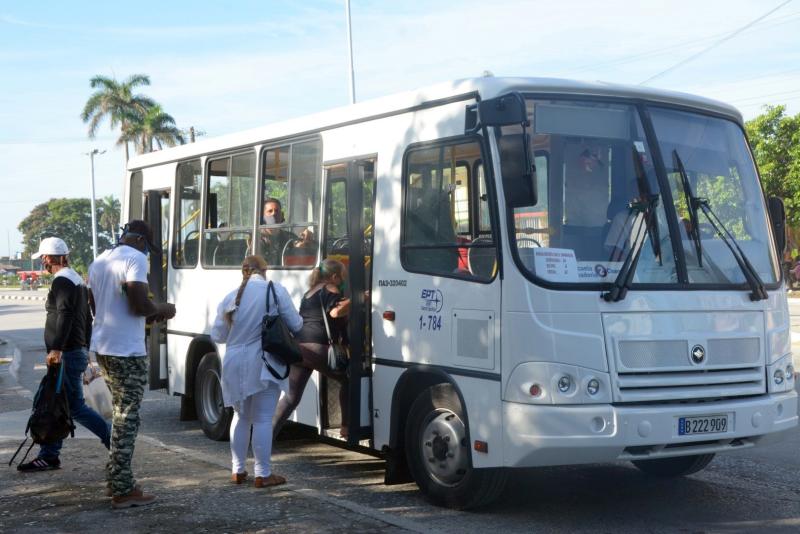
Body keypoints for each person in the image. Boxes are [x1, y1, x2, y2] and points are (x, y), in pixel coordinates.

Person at [88, 220, 176, 509]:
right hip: (126, 351)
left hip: (103, 346)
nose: (147, 254)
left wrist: (148, 315)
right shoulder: (135, 258)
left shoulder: (99, 261)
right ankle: (123, 490)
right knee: (128, 419)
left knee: (119, 416)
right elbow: (139, 305)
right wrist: (163, 309)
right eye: (147, 248)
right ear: (140, 241)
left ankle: (116, 478)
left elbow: (98, 306)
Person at [16, 237, 111, 472]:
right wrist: (85, 347)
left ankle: (115, 442)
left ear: (49, 258)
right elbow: (87, 318)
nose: (43, 264)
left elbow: (65, 315)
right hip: (72, 351)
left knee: (73, 406)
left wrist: (57, 349)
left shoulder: (62, 281)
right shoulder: (76, 279)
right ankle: (49, 454)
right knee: (53, 403)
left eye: (43, 259)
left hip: (66, 354)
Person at [211, 255, 302, 488]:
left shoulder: (231, 296)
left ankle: (237, 470)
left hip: (233, 362)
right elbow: (296, 324)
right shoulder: (275, 290)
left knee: (241, 417)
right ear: (264, 270)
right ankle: (262, 474)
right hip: (263, 363)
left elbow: (217, 336)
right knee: (262, 419)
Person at [273, 258, 351, 440]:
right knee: (348, 379)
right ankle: (346, 427)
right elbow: (335, 312)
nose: (343, 282)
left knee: (291, 398)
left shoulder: (309, 292)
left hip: (299, 347)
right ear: (334, 277)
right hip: (317, 347)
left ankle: (265, 438)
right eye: (342, 277)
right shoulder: (330, 288)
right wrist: (359, 299)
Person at [259, 198, 297, 266]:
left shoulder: (290, 237)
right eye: (270, 211)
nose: (274, 214)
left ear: (282, 215)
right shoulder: (258, 240)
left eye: (277, 211)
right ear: (263, 217)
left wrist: (304, 243)